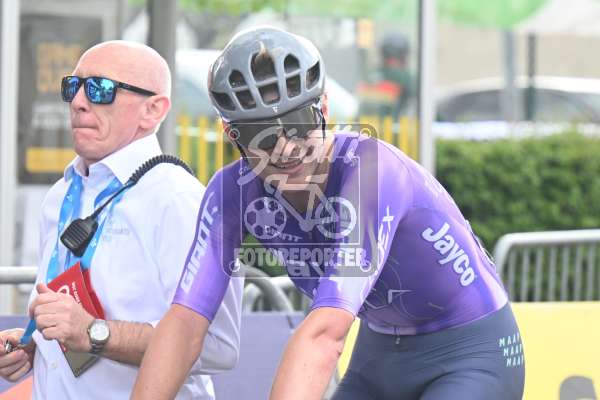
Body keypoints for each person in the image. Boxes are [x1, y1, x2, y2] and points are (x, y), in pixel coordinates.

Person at [133, 28, 525, 400]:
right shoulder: (230, 192)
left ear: (323, 107)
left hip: (470, 353)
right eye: (259, 134)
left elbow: (324, 335)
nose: (286, 148)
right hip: (382, 355)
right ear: (231, 134)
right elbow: (184, 323)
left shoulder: (370, 172)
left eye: (298, 124)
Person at [0, 40, 242, 399]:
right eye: (72, 86)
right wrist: (36, 344)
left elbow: (219, 346)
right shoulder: (60, 195)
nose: (78, 101)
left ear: (153, 110)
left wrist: (95, 333)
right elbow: (77, 323)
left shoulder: (179, 200)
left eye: (100, 89)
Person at [357, 32, 415, 118]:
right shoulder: (405, 78)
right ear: (403, 56)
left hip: (366, 125)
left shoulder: (370, 77)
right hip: (392, 126)